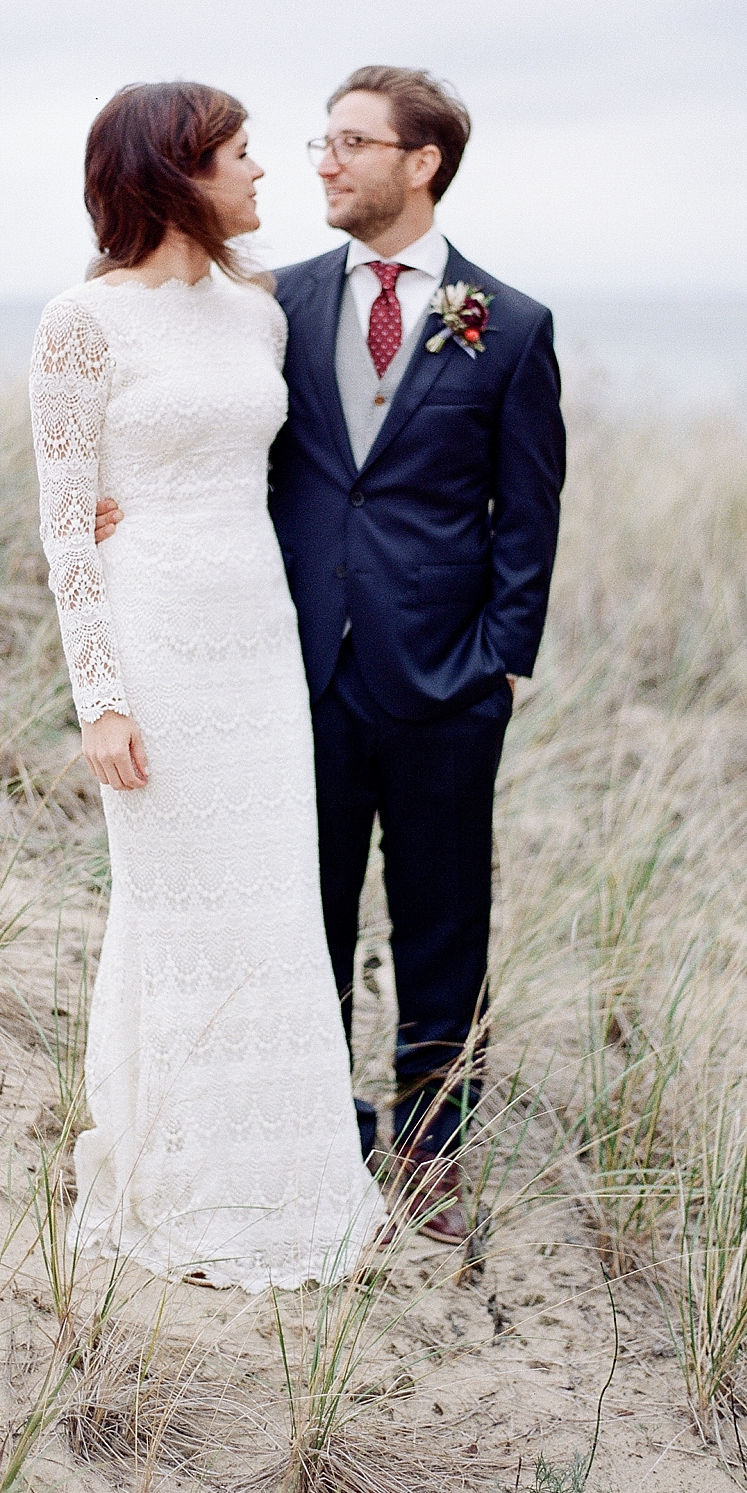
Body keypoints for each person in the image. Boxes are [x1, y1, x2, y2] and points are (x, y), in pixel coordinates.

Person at [97, 67, 565, 1246]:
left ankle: (432, 1145)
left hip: (443, 682)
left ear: (422, 162)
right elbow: (207, 436)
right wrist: (122, 512)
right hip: (284, 672)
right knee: (298, 911)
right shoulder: (271, 303)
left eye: (353, 142)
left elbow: (529, 512)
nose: (322, 161)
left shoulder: (507, 325)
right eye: (317, 140)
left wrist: (499, 664)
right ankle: (316, 1125)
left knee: (443, 919)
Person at [30, 81, 384, 1291]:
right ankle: (174, 1173)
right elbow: (67, 524)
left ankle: (286, 1175)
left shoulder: (260, 314)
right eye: (240, 155)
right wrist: (102, 699)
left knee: (272, 902)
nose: (263, 173)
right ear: (177, 173)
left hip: (257, 635)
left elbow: (279, 471)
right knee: (174, 905)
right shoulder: (81, 322)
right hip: (157, 640)